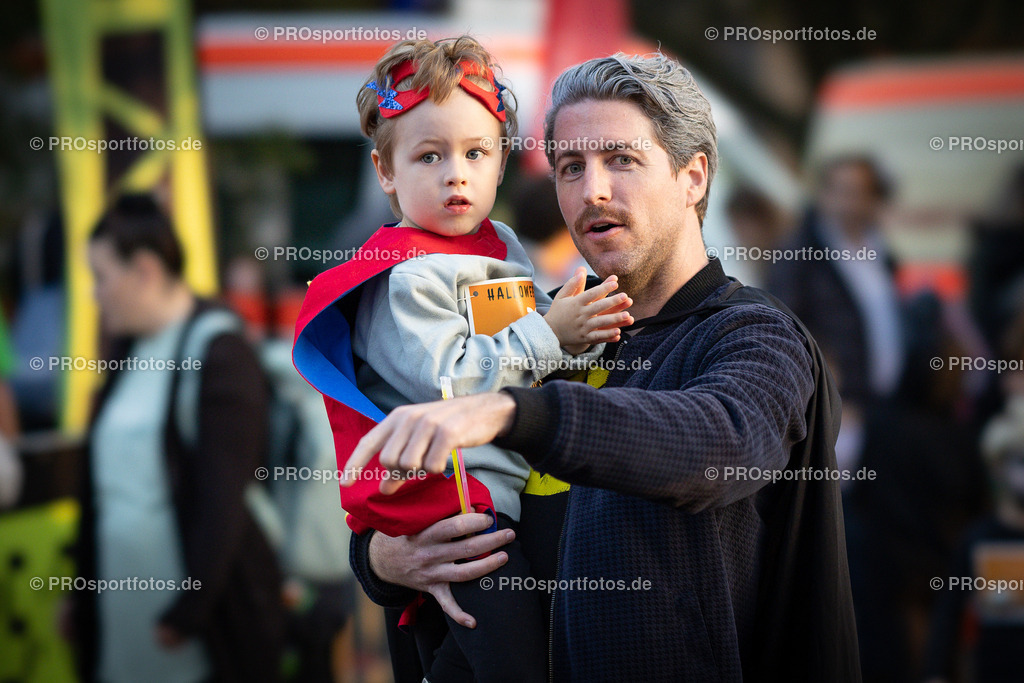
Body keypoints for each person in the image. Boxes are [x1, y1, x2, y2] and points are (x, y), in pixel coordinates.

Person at [343, 53, 861, 681]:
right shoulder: (544, 322)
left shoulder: (755, 335)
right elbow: (420, 505)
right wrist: (383, 561)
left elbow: (716, 439)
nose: (592, 189)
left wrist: (511, 409)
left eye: (622, 159)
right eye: (570, 166)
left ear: (692, 176)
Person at [291, 37, 629, 682]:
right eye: (428, 156)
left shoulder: (494, 249)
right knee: (515, 665)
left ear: (502, 163)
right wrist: (553, 333)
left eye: (477, 153)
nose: (457, 173)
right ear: (385, 172)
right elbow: (456, 383)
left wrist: (579, 330)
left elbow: (521, 357)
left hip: (491, 503)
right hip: (448, 508)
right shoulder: (407, 276)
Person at [69, 195, 285, 682]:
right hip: (122, 622)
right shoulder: (127, 350)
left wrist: (189, 611)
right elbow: (101, 491)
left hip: (196, 633)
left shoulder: (220, 352)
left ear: (144, 270)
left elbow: (222, 502)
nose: (95, 295)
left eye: (101, 277)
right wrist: (80, 598)